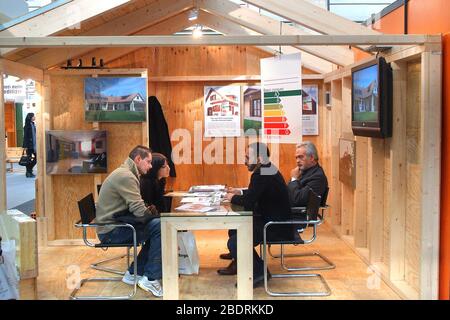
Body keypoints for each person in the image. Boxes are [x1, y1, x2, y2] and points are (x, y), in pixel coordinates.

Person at [218, 142, 292, 288]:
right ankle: (238, 260)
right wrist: (239, 192)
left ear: (258, 158)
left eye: (247, 157)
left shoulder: (262, 174)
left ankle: (259, 273)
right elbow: (257, 193)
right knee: (234, 229)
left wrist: (231, 198)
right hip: (272, 220)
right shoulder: (268, 169)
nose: (244, 161)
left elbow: (249, 202)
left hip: (275, 227)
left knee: (235, 242)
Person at [95, 145, 163, 298]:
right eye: (149, 161)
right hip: (111, 231)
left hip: (113, 226)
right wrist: (153, 214)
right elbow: (139, 210)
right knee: (160, 227)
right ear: (138, 159)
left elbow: (137, 208)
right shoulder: (126, 176)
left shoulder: (126, 172)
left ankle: (134, 273)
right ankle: (151, 278)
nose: (151, 166)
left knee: (158, 226)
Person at [288, 141, 328, 207]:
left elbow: (297, 201)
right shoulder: (302, 171)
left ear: (312, 158)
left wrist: (294, 179)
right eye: (296, 157)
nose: (297, 161)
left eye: (301, 157)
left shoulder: (318, 177)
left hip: (298, 215)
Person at [22, 113, 37, 178]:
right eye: (33, 116)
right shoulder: (27, 126)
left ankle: (29, 170)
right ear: (30, 117)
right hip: (29, 145)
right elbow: (25, 136)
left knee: (37, 158)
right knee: (28, 159)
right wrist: (25, 146)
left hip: (34, 145)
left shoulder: (33, 124)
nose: (34, 117)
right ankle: (28, 173)